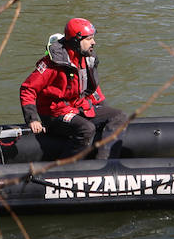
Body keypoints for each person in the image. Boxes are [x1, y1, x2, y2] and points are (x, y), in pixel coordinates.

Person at [20, 17, 129, 159]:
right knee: (86, 129)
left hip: (78, 108)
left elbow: (92, 90)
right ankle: (66, 168)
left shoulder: (86, 59)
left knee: (119, 116)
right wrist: (33, 118)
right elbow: (28, 89)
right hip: (55, 114)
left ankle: (105, 163)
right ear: (76, 40)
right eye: (89, 39)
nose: (93, 42)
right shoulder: (52, 64)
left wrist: (104, 111)